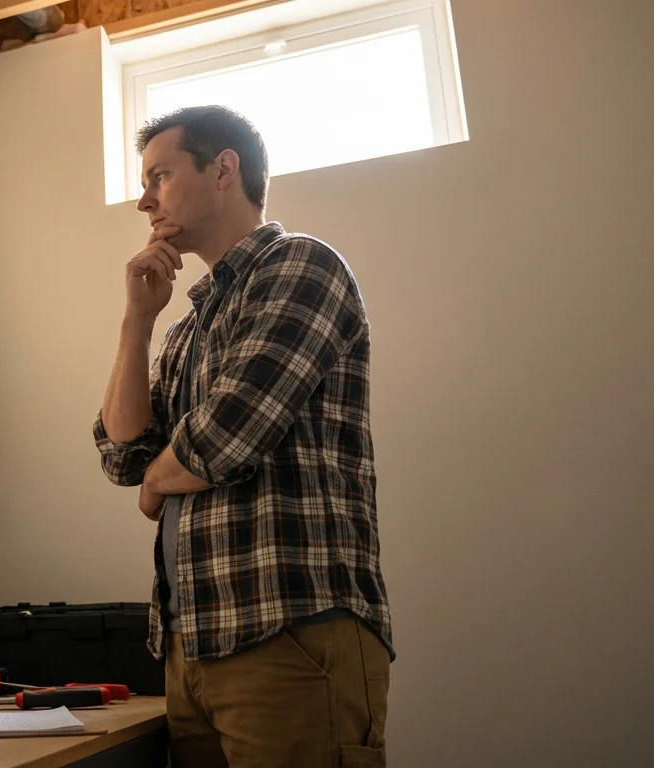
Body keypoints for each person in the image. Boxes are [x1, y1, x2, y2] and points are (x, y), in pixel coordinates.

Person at [93, 105, 393, 768]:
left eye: (161, 175)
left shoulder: (302, 267)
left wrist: (160, 482)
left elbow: (227, 435)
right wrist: (137, 322)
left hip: (290, 633)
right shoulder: (183, 330)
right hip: (190, 646)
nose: (145, 200)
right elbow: (124, 456)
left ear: (224, 168)